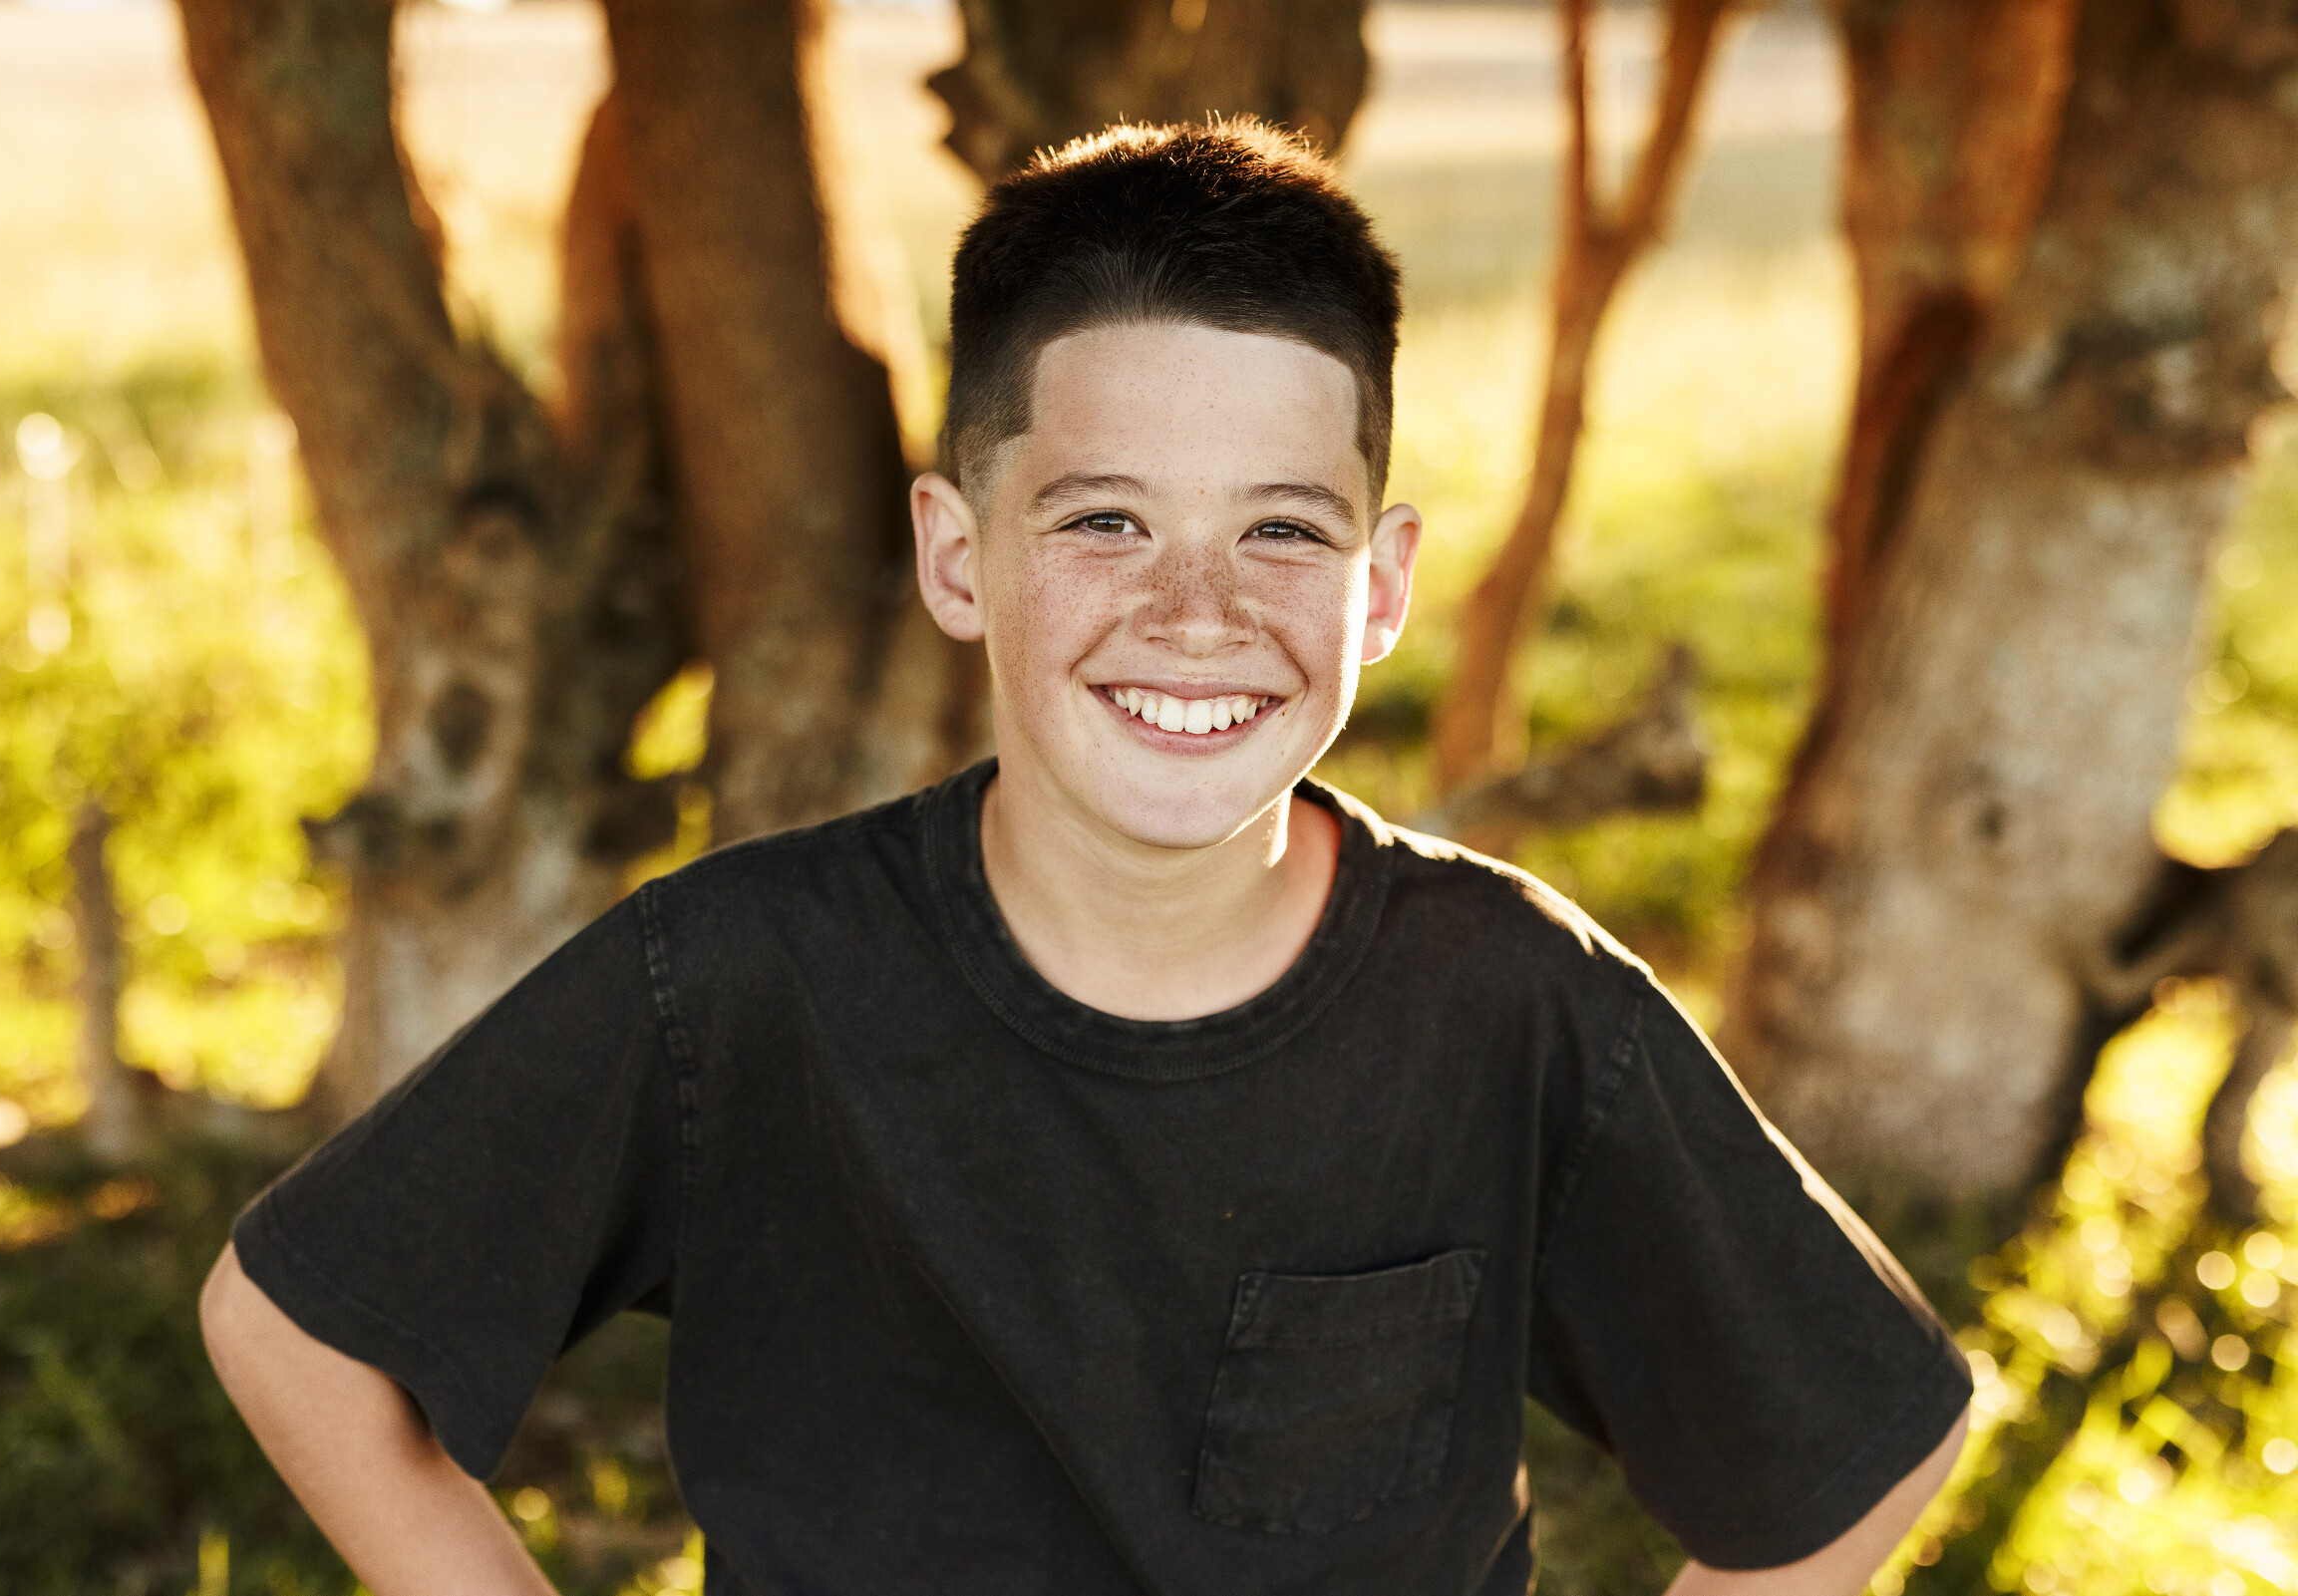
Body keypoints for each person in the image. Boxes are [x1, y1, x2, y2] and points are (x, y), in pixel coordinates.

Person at [199, 120, 1971, 1596]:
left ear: (1381, 588)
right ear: (957, 556)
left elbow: (1865, 1436)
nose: (1198, 612)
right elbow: (298, 1330)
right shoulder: (736, 982)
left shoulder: (1506, 1000)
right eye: (1106, 519)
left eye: (1283, 531)